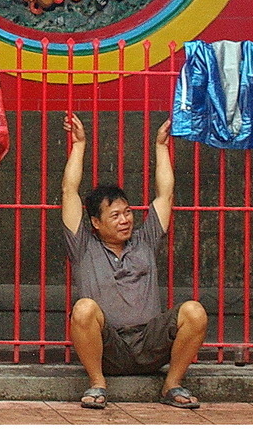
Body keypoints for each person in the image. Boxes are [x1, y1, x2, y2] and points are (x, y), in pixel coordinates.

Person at [61, 113, 207, 409]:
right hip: (109, 347)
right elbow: (69, 192)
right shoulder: (83, 245)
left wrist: (160, 147)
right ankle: (97, 384)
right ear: (96, 222)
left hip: (151, 344)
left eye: (127, 212)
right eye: (115, 215)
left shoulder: (145, 239)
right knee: (83, 308)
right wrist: (79, 145)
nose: (125, 220)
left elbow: (165, 195)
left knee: (195, 311)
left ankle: (172, 384)